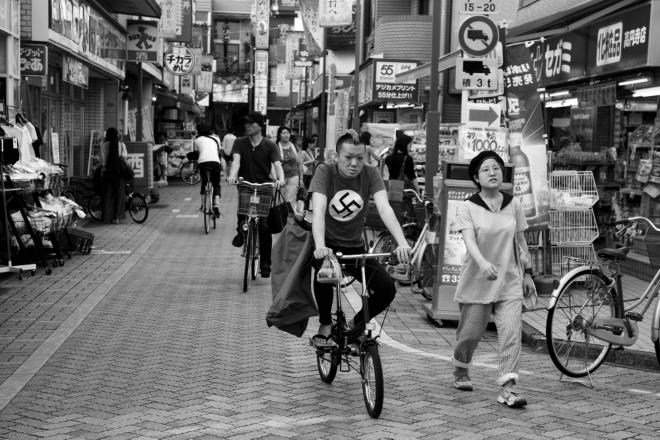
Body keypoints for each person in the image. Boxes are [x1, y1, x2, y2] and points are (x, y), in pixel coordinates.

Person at [308, 129, 412, 348]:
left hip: (355, 247)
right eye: (348, 157)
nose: (354, 163)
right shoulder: (325, 171)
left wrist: (402, 242)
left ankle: (353, 326)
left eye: (359, 158)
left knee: (386, 288)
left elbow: (384, 209)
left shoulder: (371, 173)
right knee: (324, 275)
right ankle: (325, 324)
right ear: (337, 156)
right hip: (326, 244)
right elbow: (318, 211)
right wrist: (320, 247)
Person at [450, 150, 535, 408]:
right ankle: (461, 369)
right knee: (469, 335)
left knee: (511, 334)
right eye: (486, 169)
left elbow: (521, 241)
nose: (493, 172)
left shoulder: (513, 204)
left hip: (509, 281)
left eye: (496, 168)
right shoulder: (468, 207)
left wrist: (528, 273)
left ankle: (508, 390)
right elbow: (469, 241)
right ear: (476, 177)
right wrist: (483, 263)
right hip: (478, 281)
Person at [227, 111, 285, 278]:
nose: (247, 126)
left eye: (251, 123)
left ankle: (266, 263)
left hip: (265, 186)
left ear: (260, 126)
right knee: (242, 214)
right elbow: (236, 162)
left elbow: (277, 165)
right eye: (246, 123)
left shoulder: (270, 145)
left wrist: (281, 179)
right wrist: (232, 175)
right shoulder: (239, 142)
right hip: (245, 184)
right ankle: (242, 232)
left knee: (264, 225)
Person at [99, 127, 128, 224]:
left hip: (107, 173)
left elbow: (102, 162)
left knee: (108, 195)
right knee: (119, 195)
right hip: (119, 174)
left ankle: (108, 217)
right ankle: (117, 217)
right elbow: (125, 157)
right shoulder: (121, 145)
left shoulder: (103, 146)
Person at [193, 123, 222, 217]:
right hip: (215, 162)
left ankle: (203, 205)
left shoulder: (197, 140)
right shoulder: (216, 138)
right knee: (216, 184)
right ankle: (216, 205)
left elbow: (197, 153)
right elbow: (218, 151)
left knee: (204, 182)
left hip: (203, 163)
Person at [275, 126, 303, 204]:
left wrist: (301, 179)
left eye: (288, 133)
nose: (286, 135)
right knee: (279, 200)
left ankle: (289, 212)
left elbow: (299, 164)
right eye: (283, 133)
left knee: (290, 200)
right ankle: (281, 212)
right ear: (279, 135)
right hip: (280, 178)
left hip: (294, 176)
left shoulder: (294, 146)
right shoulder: (275, 147)